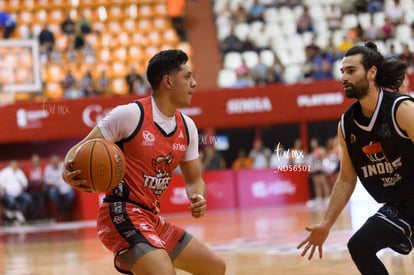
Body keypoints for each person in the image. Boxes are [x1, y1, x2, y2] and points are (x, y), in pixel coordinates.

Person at [62, 50, 226, 275]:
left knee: (214, 268)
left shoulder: (188, 127)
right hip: (119, 211)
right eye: (187, 77)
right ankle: (133, 255)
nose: (194, 83)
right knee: (164, 272)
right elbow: (78, 149)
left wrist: (197, 195)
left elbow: (195, 180)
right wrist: (66, 169)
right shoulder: (130, 115)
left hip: (151, 218)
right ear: (168, 81)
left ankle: (139, 256)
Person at [297, 41, 414, 275]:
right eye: (342, 72)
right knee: (359, 245)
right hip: (400, 206)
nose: (343, 77)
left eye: (351, 71)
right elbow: (346, 180)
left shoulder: (401, 110)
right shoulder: (347, 124)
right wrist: (326, 223)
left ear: (372, 73)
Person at [44, 155, 75, 221]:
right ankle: (60, 208)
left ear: (58, 161)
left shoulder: (63, 166)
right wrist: (52, 184)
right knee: (52, 193)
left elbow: (68, 177)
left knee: (71, 195)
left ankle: (66, 208)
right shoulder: (48, 168)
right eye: (53, 162)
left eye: (56, 162)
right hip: (55, 188)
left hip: (65, 186)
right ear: (51, 163)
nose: (55, 164)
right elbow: (47, 181)